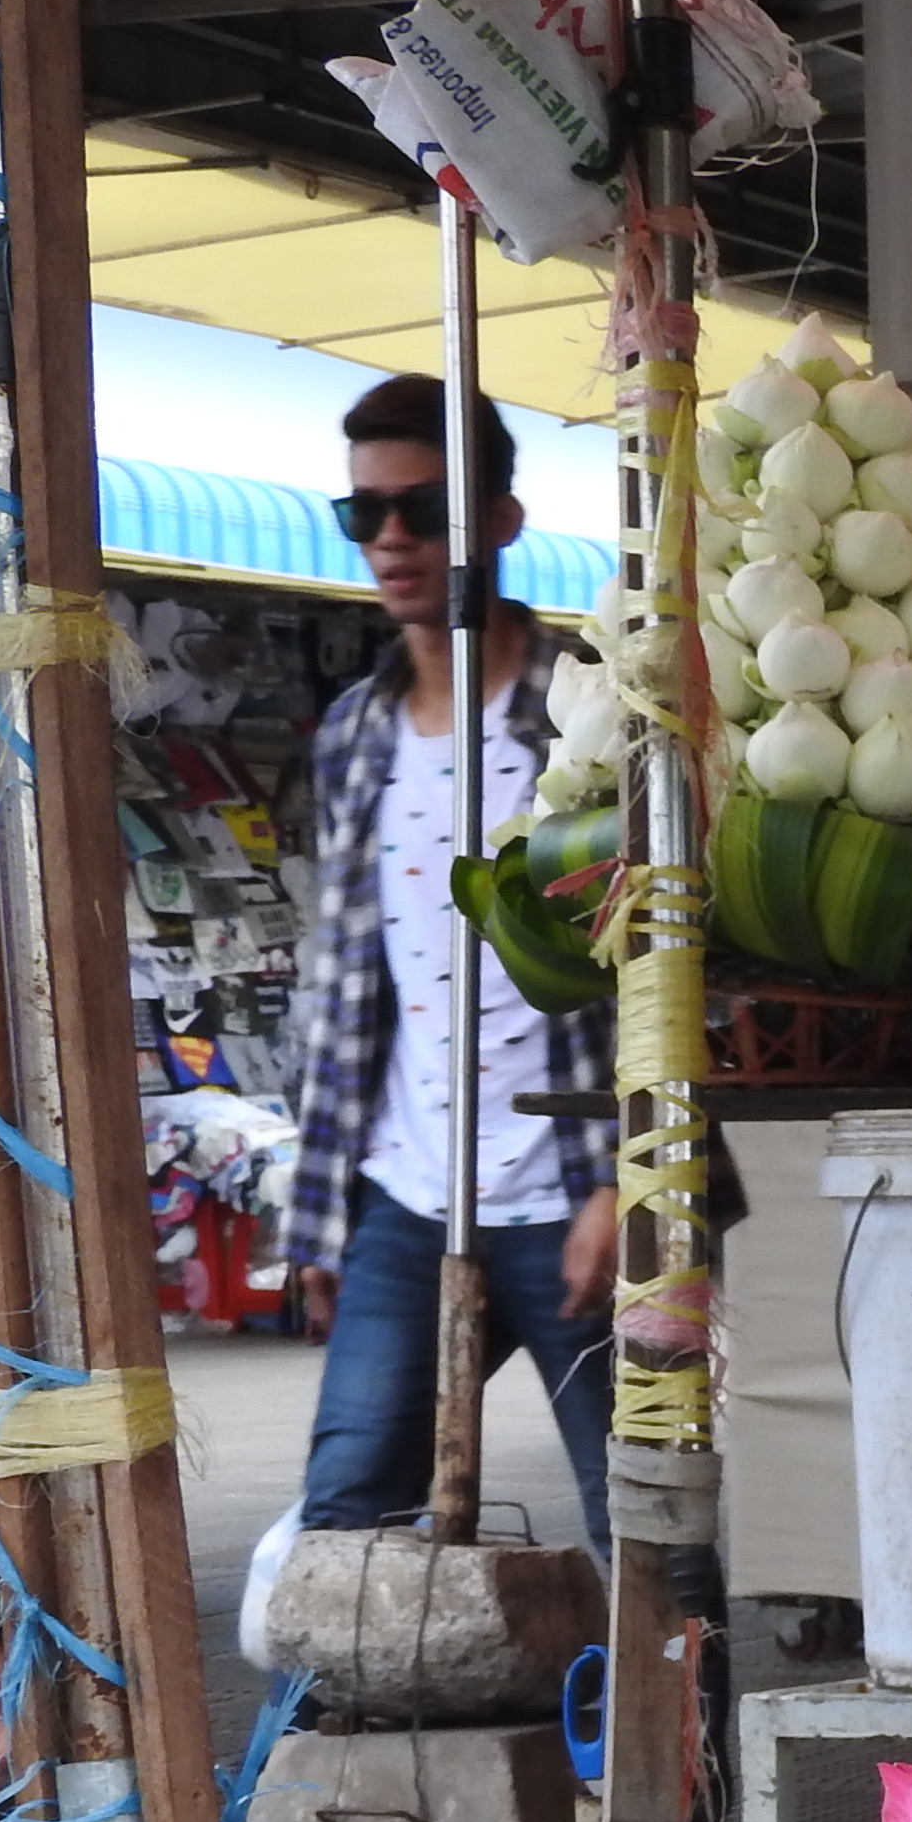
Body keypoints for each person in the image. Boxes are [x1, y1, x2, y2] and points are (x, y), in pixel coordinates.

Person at [275, 373, 613, 1548]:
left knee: (652, 1536)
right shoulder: (355, 734)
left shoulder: (590, 716)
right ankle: (349, 1738)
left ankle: (687, 1740)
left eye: (425, 510)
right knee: (348, 1522)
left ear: (503, 522)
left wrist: (632, 1184)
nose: (395, 541)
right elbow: (342, 991)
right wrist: (321, 1221)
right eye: (364, 516)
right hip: (407, 1200)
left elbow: (671, 966)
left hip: (578, 1185)